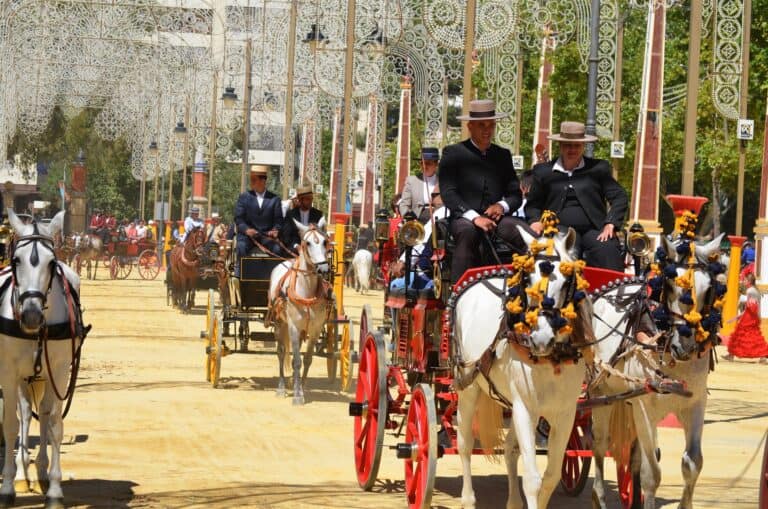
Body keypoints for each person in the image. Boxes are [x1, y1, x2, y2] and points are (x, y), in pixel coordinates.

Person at [438, 99, 527, 282]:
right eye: (481, 126)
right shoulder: (453, 153)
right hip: (465, 218)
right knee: (468, 232)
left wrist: (502, 206)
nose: (487, 130)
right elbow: (449, 194)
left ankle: (532, 289)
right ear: (470, 126)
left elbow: (515, 194)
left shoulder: (502, 155)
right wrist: (475, 217)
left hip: (497, 219)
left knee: (524, 233)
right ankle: (459, 292)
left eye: (491, 125)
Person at [526, 121, 628, 272]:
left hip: (594, 230)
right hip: (557, 230)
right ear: (560, 146)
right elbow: (533, 205)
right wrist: (535, 221)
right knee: (559, 255)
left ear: (583, 146)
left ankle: (611, 295)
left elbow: (619, 196)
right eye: (568, 145)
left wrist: (611, 223)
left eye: (576, 145)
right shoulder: (543, 172)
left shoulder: (598, 168)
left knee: (607, 251)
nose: (572, 149)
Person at [234, 165, 284, 260]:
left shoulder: (275, 199)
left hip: (267, 237)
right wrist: (246, 230)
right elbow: (238, 218)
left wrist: (275, 230)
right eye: (251, 179)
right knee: (241, 247)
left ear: (263, 181)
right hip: (247, 237)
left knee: (277, 249)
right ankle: (240, 273)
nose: (251, 182)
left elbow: (279, 220)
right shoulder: (244, 197)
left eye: (254, 179)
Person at [724, 273, 768, 363]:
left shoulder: (749, 291)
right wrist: (758, 317)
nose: (743, 281)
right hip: (753, 317)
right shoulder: (756, 290)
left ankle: (731, 355)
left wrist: (736, 317)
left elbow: (750, 307)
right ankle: (763, 356)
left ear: (749, 281)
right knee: (754, 336)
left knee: (740, 335)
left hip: (748, 317)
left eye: (744, 280)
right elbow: (756, 307)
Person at [399, 147, 440, 223]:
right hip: (417, 221)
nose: (424, 166)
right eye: (422, 163)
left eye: (428, 163)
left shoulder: (444, 181)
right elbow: (404, 204)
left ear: (436, 164)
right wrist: (408, 216)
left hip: (438, 220)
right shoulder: (411, 181)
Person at [281, 185, 324, 252]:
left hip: (313, 249)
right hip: (295, 249)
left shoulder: (318, 214)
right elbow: (286, 236)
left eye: (311, 199)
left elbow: (322, 234)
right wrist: (296, 246)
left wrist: (316, 228)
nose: (310, 201)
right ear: (300, 200)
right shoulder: (290, 214)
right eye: (308, 199)